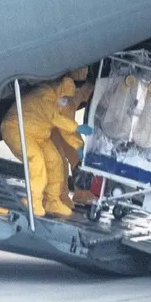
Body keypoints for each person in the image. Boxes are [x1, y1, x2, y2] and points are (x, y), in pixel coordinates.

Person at [0, 76, 93, 218]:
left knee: (55, 162)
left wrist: (78, 146)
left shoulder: (60, 100)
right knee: (37, 162)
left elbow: (64, 126)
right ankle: (34, 202)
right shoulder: (44, 95)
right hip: (17, 128)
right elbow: (54, 118)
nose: (66, 101)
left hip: (39, 134)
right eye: (64, 97)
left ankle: (52, 201)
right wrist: (77, 127)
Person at [50, 67, 97, 208]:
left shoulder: (74, 97)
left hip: (63, 128)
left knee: (78, 159)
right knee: (60, 163)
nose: (89, 95)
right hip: (51, 129)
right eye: (89, 91)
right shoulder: (68, 98)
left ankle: (81, 193)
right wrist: (77, 145)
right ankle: (59, 197)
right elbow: (64, 124)